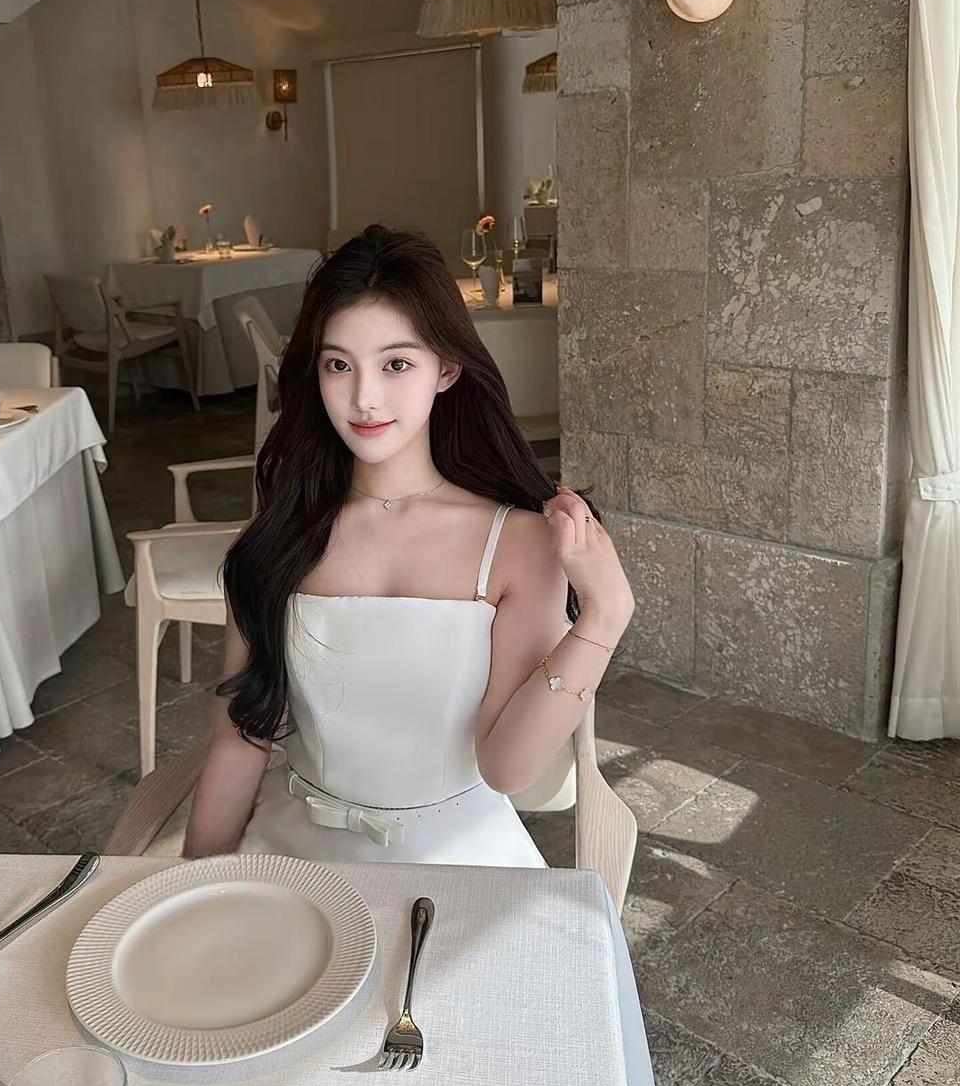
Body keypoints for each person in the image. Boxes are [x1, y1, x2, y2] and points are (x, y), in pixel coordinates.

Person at [183, 224, 635, 867]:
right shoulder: (277, 539)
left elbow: (508, 769)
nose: (364, 398)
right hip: (292, 853)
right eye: (339, 364)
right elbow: (239, 739)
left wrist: (605, 615)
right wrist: (192, 882)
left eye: (396, 364)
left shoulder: (518, 543)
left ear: (446, 369)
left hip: (457, 860)